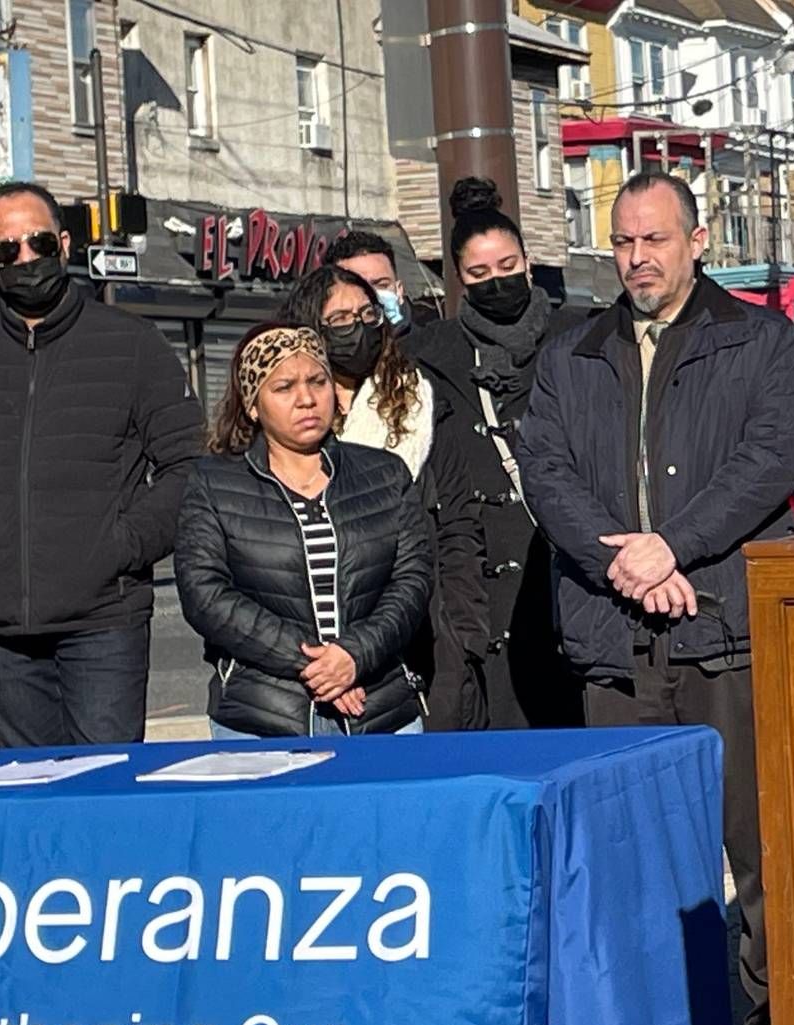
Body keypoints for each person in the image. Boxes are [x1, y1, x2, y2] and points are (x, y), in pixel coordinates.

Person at [516, 172, 794, 1025]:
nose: (637, 258)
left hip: (726, 633)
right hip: (615, 643)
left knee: (760, 854)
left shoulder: (761, 340)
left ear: (697, 240)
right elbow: (546, 472)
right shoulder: (572, 353)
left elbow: (770, 460)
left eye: (655, 239)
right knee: (631, 861)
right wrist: (626, 563)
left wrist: (673, 546)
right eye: (623, 242)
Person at [0, 181, 205, 748]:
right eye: (8, 249)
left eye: (40, 243)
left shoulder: (132, 344)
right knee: (33, 791)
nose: (27, 259)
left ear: (64, 245)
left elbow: (188, 463)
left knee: (105, 786)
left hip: (105, 623)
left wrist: (122, 547)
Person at [176, 324, 433, 737]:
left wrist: (354, 655)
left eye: (318, 381)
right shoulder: (214, 483)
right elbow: (204, 594)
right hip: (263, 715)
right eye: (284, 387)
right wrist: (315, 664)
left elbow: (412, 579)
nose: (307, 399)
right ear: (253, 405)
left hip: (380, 708)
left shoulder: (386, 475)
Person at [409, 177, 590, 728]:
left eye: (508, 266)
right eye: (479, 273)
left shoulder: (581, 338)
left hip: (570, 573)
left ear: (529, 264)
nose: (497, 282)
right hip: (479, 590)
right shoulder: (428, 355)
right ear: (459, 280)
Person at [276, 265, 485, 729]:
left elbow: (458, 524)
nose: (358, 328)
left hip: (423, 641)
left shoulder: (420, 402)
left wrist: (464, 634)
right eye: (340, 320)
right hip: (313, 660)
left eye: (367, 314)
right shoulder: (288, 420)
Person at [323, 229, 439, 334]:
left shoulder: (432, 346)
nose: (371, 296)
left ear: (399, 290)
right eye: (356, 288)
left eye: (382, 285)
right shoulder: (321, 348)